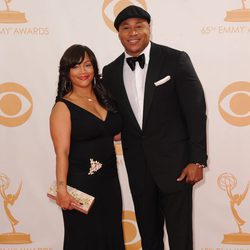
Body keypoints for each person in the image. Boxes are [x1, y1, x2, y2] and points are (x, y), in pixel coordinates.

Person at [102, 5, 208, 250]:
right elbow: (111, 118)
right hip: (138, 168)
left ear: (149, 28)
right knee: (149, 238)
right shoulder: (110, 72)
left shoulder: (175, 59)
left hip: (177, 165)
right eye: (126, 28)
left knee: (181, 239)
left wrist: (197, 160)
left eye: (139, 26)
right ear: (118, 33)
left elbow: (196, 111)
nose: (133, 33)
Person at [50, 44, 124, 250]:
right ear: (67, 72)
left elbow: (115, 132)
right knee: (84, 240)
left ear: (94, 68)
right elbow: (61, 153)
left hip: (109, 184)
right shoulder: (62, 107)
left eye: (87, 65)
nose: (83, 71)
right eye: (76, 67)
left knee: (111, 236)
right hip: (81, 185)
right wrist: (61, 190)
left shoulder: (104, 99)